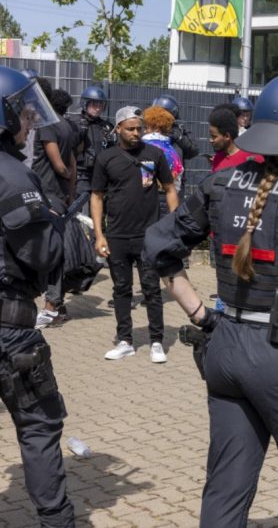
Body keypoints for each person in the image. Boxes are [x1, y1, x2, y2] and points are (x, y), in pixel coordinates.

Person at [143, 73, 278, 526]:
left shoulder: (219, 185)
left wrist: (203, 316)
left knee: (225, 490)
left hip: (225, 351)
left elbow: (158, 247)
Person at [0, 65, 75, 526]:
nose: (31, 124)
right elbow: (42, 254)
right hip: (9, 330)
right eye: (25, 116)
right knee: (39, 426)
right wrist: (56, 221)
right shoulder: (12, 175)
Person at [91, 106, 178, 363]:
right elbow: (96, 196)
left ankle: (157, 342)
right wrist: (99, 234)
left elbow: (170, 189)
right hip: (117, 235)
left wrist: (174, 224)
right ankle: (125, 340)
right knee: (121, 289)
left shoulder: (154, 154)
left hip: (148, 235)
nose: (136, 133)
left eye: (139, 128)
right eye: (130, 129)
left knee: (151, 289)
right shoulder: (106, 158)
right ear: (118, 128)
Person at [33, 89, 78, 329]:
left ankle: (51, 307)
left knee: (51, 252)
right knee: (54, 249)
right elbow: (72, 163)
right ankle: (57, 307)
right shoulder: (68, 127)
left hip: (46, 196)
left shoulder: (47, 126)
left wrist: (64, 176)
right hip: (59, 197)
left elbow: (60, 165)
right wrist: (69, 191)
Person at [141, 106, 185, 216]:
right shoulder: (173, 150)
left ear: (156, 128)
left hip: (149, 199)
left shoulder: (146, 146)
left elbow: (146, 181)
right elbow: (178, 179)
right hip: (169, 197)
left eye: (146, 127)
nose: (143, 131)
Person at [75, 85, 115, 199]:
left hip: (101, 173)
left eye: (100, 104)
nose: (98, 108)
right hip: (81, 174)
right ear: (85, 104)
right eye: (94, 104)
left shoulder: (106, 126)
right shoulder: (75, 124)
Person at [208, 107, 260, 172]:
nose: (210, 140)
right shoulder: (218, 158)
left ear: (227, 136)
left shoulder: (253, 159)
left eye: (214, 137)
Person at [151, 94, 199, 162]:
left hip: (174, 171)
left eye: (161, 114)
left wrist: (180, 138)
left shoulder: (178, 130)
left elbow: (193, 151)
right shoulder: (147, 129)